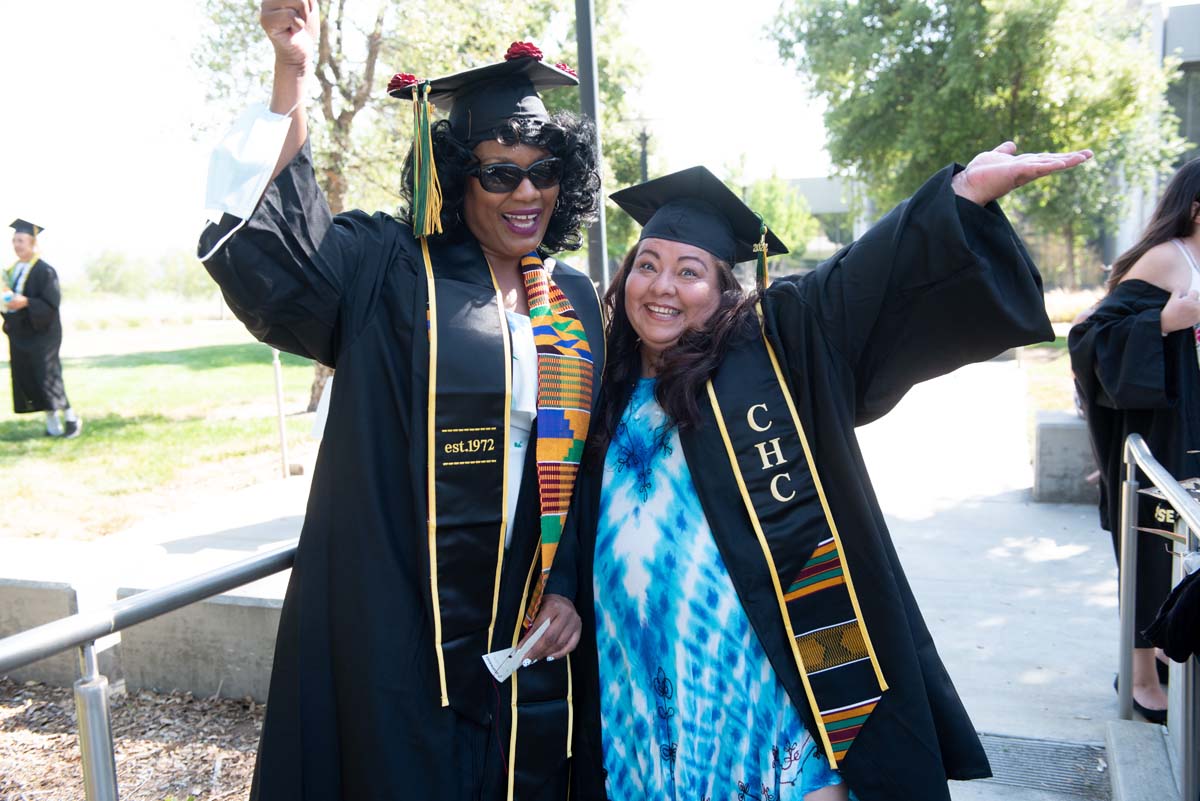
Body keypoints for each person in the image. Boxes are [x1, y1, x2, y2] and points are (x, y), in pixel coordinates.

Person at [547, 146, 1092, 801]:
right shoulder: (600, 380)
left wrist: (961, 196)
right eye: (648, 265)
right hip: (636, 678)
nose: (662, 287)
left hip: (765, 674)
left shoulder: (764, 356)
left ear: (725, 289)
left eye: (689, 271)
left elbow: (854, 284)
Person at [197, 2, 603, 799]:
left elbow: (593, 466)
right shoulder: (388, 268)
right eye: (500, 173)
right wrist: (291, 77)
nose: (528, 192)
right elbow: (273, 251)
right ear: (458, 175)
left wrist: (568, 586)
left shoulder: (577, 301)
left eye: (545, 171)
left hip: (526, 626)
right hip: (400, 612)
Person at [1068, 157, 1200, 725]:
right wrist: (1166, 323)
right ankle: (1141, 674)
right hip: (1167, 436)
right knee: (1152, 553)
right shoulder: (1168, 259)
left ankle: (1174, 648)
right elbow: (1091, 339)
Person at [4, 219, 81, 439]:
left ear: (33, 243)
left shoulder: (45, 270)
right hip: (21, 333)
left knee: (48, 375)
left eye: (21, 241)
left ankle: (71, 419)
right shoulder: (12, 270)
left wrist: (27, 302)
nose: (17, 245)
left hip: (43, 333)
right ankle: (51, 423)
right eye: (14, 241)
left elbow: (51, 303)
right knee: (31, 376)